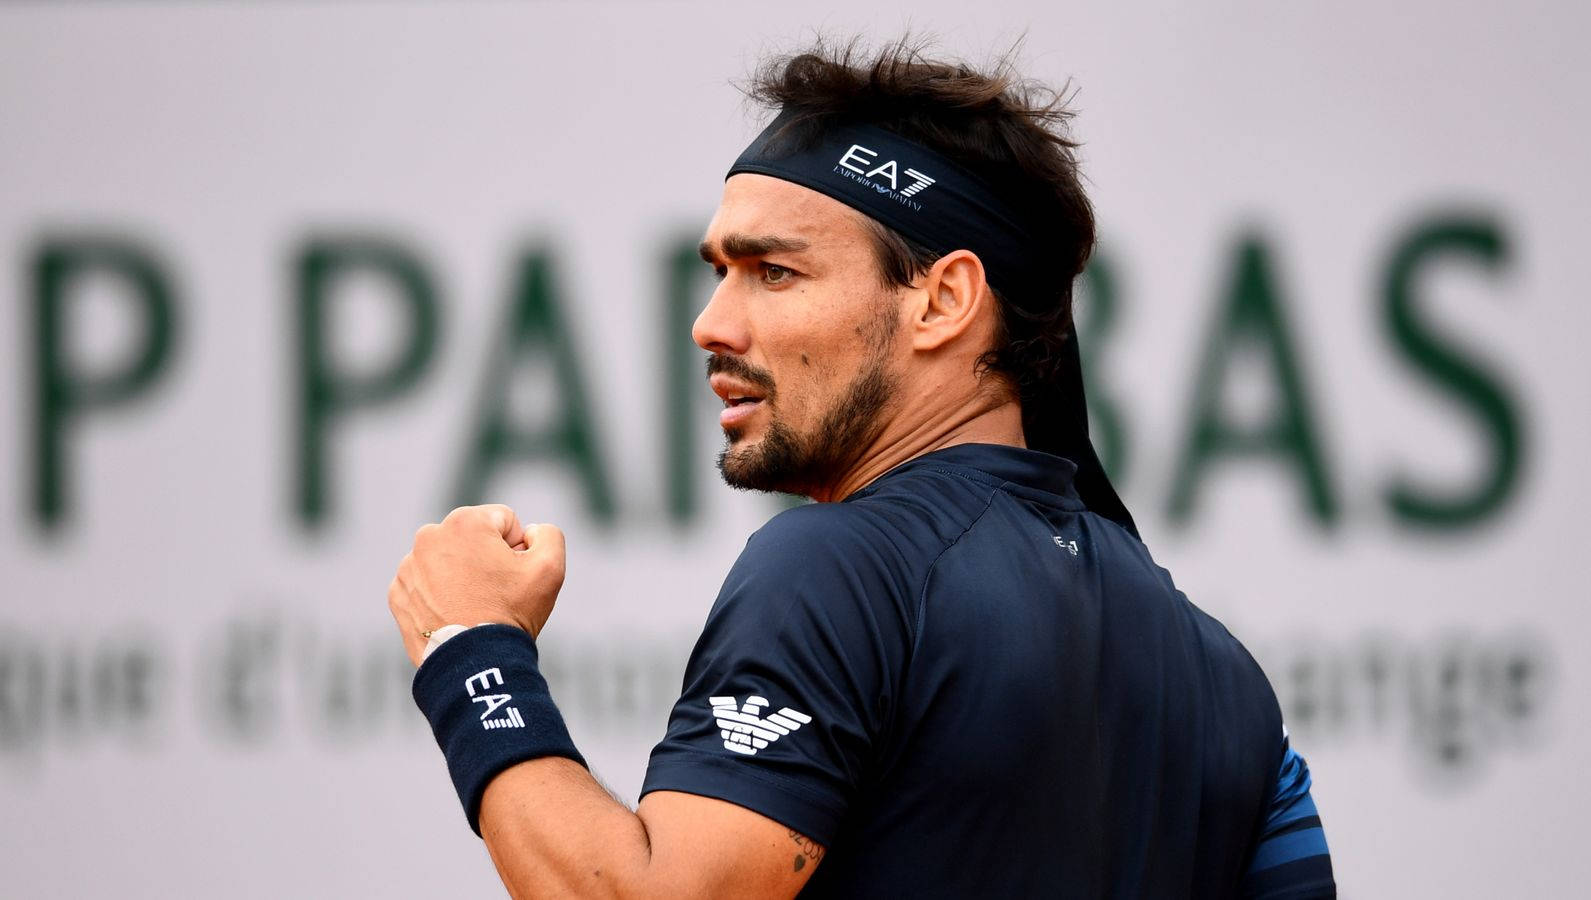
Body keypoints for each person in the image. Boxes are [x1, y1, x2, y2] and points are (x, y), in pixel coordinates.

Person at [386, 40, 1336, 898]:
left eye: (774, 272)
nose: (712, 323)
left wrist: (472, 646)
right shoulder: (1227, 680)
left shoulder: (840, 568)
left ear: (944, 301)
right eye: (718, 270)